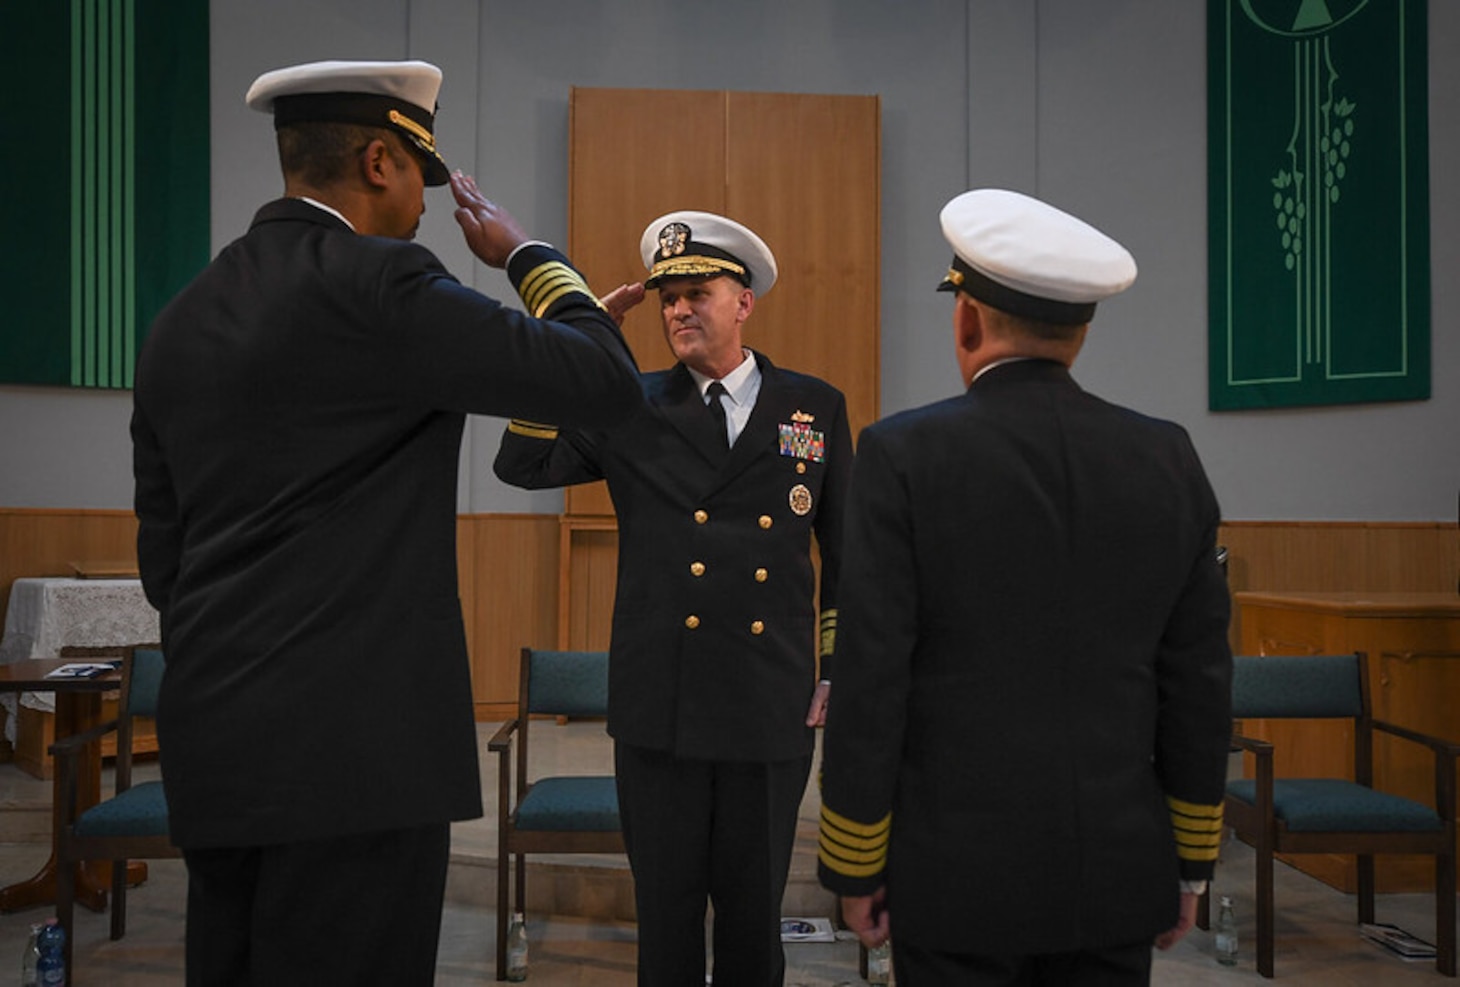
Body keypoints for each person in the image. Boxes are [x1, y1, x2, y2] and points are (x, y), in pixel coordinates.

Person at [130, 59, 641, 985]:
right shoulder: (384, 286)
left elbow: (164, 560)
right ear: (378, 161)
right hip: (356, 761)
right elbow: (602, 377)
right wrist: (528, 255)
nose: (423, 202)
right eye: (421, 175)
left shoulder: (179, 320)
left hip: (216, 746)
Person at [816, 189, 1232, 986]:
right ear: (1080, 331)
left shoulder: (902, 456)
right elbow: (1200, 683)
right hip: (1115, 871)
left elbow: (872, 677)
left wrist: (855, 861)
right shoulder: (1169, 458)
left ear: (966, 321)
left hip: (953, 879)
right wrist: (1189, 860)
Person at [494, 210, 853, 986]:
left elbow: (848, 553)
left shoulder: (812, 407)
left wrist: (834, 667)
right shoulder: (629, 402)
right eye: (667, 298)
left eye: (697, 292)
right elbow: (521, 465)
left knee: (755, 919)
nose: (679, 309)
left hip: (768, 702)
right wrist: (568, 353)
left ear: (743, 301)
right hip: (663, 703)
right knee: (666, 912)